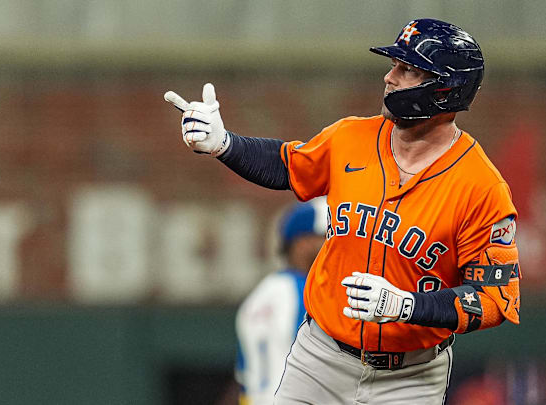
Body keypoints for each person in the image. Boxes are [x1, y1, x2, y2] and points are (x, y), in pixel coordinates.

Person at [166, 17, 521, 405]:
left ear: (443, 88)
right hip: (320, 356)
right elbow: (287, 164)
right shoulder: (352, 137)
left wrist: (406, 305)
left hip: (411, 376)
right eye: (394, 66)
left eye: (407, 70)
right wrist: (224, 144)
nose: (389, 77)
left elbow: (494, 299)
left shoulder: (482, 187)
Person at [234, 198, 327, 405]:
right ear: (302, 243)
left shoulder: (259, 296)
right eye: (325, 237)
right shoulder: (309, 292)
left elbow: (244, 377)